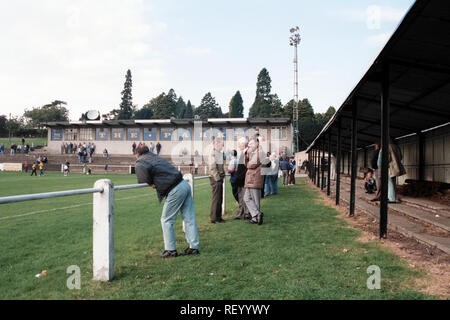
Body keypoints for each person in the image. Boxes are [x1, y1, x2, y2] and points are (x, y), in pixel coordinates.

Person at [135, 145, 200, 258]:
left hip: (175, 189)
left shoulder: (140, 161)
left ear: (137, 154)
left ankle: (170, 250)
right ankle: (194, 247)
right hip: (184, 184)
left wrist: (151, 184)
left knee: (166, 220)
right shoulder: (155, 156)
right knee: (189, 218)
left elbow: (142, 178)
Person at [244, 136, 270, 225]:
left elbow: (250, 165)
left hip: (255, 178)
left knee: (255, 200)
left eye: (251, 144)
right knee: (246, 198)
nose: (249, 146)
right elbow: (246, 164)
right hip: (250, 179)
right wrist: (247, 155)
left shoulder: (260, 152)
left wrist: (248, 156)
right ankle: (256, 214)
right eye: (249, 144)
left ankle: (256, 218)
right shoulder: (253, 153)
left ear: (257, 143)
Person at [208, 139, 226, 224]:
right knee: (216, 199)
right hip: (216, 179)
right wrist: (218, 179)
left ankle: (218, 217)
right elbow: (212, 168)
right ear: (216, 145)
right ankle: (214, 218)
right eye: (221, 144)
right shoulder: (213, 153)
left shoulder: (219, 153)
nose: (222, 146)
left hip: (219, 178)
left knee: (219, 198)